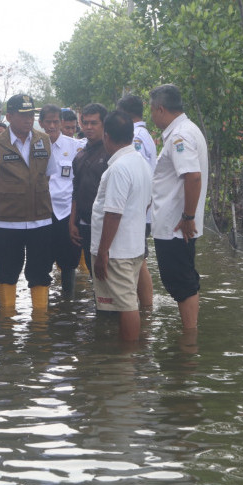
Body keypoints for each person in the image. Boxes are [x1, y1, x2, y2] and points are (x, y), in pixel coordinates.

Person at [0, 94, 59, 312]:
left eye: (30, 115)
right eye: (22, 115)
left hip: (41, 220)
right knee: (7, 273)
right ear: (9, 117)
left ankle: (40, 323)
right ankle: (7, 322)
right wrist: (11, 196)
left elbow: (49, 174)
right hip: (8, 222)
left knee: (41, 273)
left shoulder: (44, 140)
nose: (28, 119)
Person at [149, 84, 208, 330]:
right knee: (181, 280)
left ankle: (189, 337)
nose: (151, 115)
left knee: (181, 282)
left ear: (160, 109)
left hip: (176, 224)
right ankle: (189, 333)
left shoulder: (180, 136)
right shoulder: (185, 130)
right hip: (174, 223)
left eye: (151, 110)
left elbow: (193, 176)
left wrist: (187, 217)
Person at [91, 111, 152, 340]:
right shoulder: (141, 163)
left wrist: (103, 251)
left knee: (127, 305)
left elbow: (113, 214)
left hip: (117, 252)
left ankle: (126, 360)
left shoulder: (118, 168)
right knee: (126, 302)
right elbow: (147, 203)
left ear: (106, 136)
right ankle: (129, 355)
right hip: (133, 246)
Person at [39, 104, 83, 299]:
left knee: (69, 263)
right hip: (42, 212)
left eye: (56, 121)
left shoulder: (75, 147)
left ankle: (68, 303)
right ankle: (42, 306)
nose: (52, 126)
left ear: (61, 122)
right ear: (41, 123)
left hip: (67, 213)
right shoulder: (34, 146)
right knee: (42, 262)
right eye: (48, 122)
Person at [117, 94, 157, 308]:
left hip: (138, 211)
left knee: (139, 262)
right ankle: (143, 308)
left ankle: (146, 308)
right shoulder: (143, 134)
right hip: (141, 210)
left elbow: (137, 174)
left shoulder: (136, 137)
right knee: (138, 260)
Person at [69, 103, 109, 276]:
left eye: (94, 123)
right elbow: (76, 191)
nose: (88, 127)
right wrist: (72, 221)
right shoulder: (80, 155)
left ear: (104, 124)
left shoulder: (111, 153)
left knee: (111, 275)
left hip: (107, 224)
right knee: (95, 276)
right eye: (85, 123)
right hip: (85, 223)